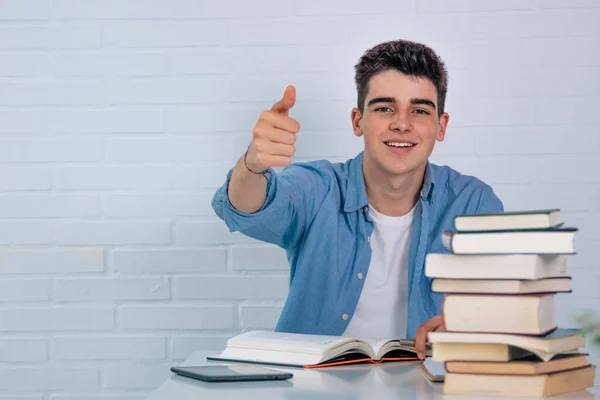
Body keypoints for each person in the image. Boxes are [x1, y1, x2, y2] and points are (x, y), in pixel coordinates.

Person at [212, 39, 503, 359]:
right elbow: (245, 207)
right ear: (357, 121)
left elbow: (503, 304)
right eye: (384, 108)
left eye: (419, 110)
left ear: (440, 125)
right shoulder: (318, 188)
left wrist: (466, 327)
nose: (402, 124)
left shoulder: (473, 204)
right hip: (314, 387)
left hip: (426, 385)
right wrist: (252, 165)